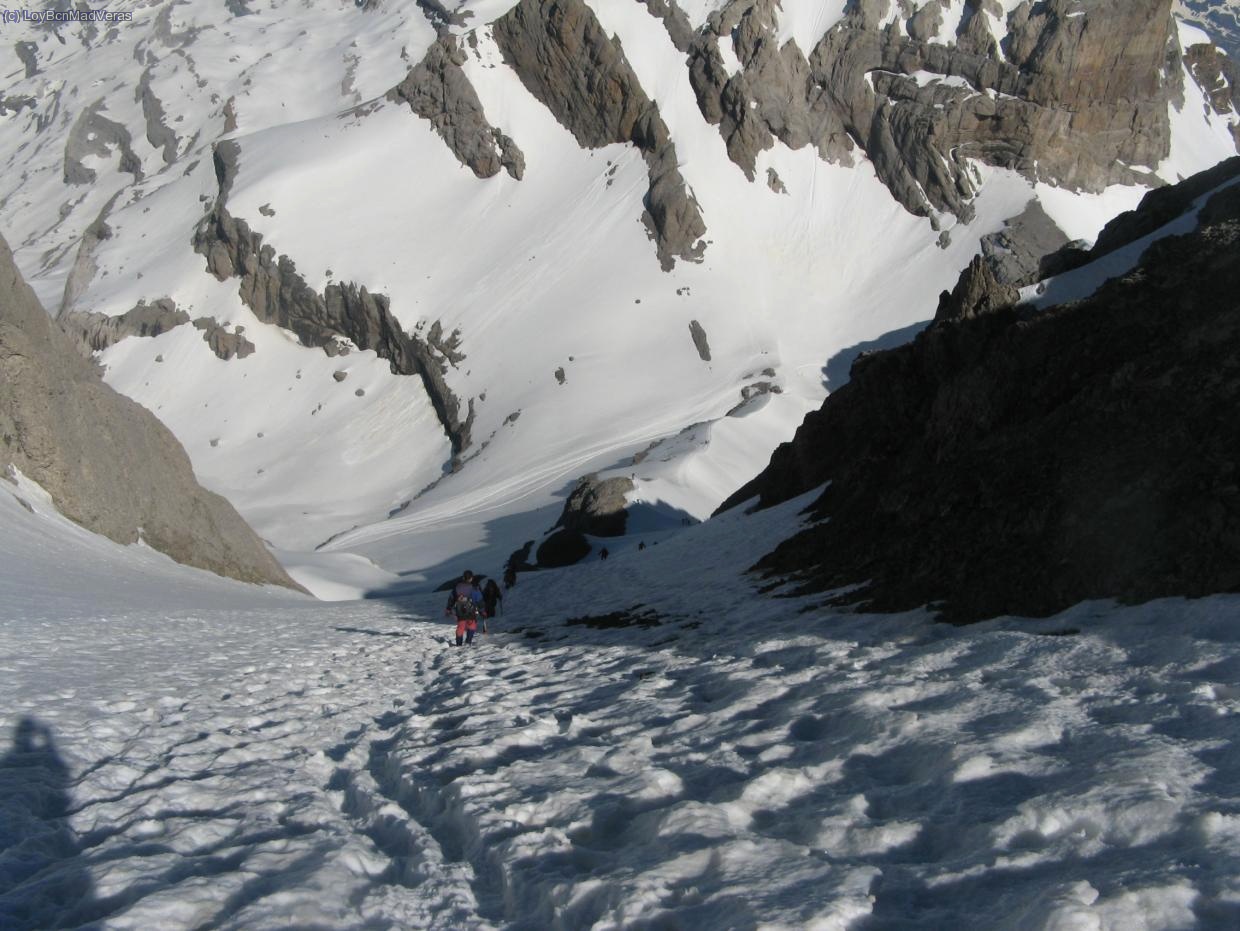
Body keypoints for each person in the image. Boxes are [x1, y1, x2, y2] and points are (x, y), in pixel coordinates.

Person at [445, 570, 484, 646]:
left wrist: (448, 609)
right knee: (471, 626)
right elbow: (479, 601)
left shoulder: (457, 587)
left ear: (463, 578)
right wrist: (482, 611)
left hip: (460, 612)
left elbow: (451, 599)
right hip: (471, 611)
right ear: (471, 578)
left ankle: (459, 644)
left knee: (460, 627)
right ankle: (468, 642)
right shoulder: (474, 588)